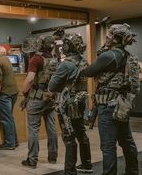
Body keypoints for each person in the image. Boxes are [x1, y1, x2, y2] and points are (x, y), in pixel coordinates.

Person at [83, 23, 139, 175]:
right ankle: (133, 171)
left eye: (109, 35)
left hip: (108, 106)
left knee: (108, 146)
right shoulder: (126, 55)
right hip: (121, 104)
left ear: (115, 38)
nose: (106, 37)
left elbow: (88, 71)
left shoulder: (108, 55)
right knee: (127, 141)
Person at [48, 33, 92, 175]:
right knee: (81, 133)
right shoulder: (83, 61)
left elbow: (52, 87)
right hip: (79, 102)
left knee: (69, 136)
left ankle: (70, 171)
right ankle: (87, 164)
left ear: (68, 46)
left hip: (67, 104)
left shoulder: (66, 65)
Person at [21, 36, 58, 169]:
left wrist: (24, 92)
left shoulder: (36, 59)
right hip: (51, 96)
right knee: (52, 128)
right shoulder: (54, 58)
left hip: (36, 98)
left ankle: (32, 160)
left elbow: (30, 79)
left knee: (33, 130)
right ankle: (53, 157)